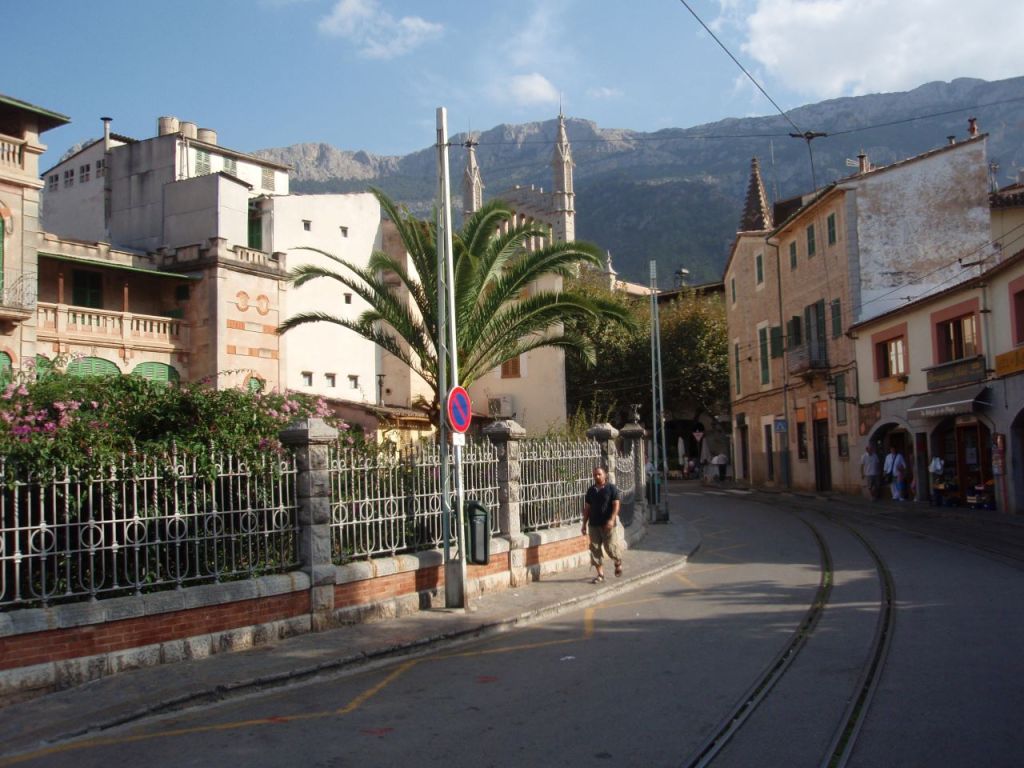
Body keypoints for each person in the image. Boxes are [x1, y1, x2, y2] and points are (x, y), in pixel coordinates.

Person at [581, 466, 623, 583]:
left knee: (610, 547)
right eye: (595, 475)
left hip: (607, 524)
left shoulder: (611, 489)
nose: (597, 476)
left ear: (605, 475)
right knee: (595, 549)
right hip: (593, 524)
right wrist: (584, 524)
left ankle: (617, 561)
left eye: (599, 474)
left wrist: (612, 519)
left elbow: (616, 505)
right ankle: (600, 575)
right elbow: (587, 508)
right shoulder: (591, 490)